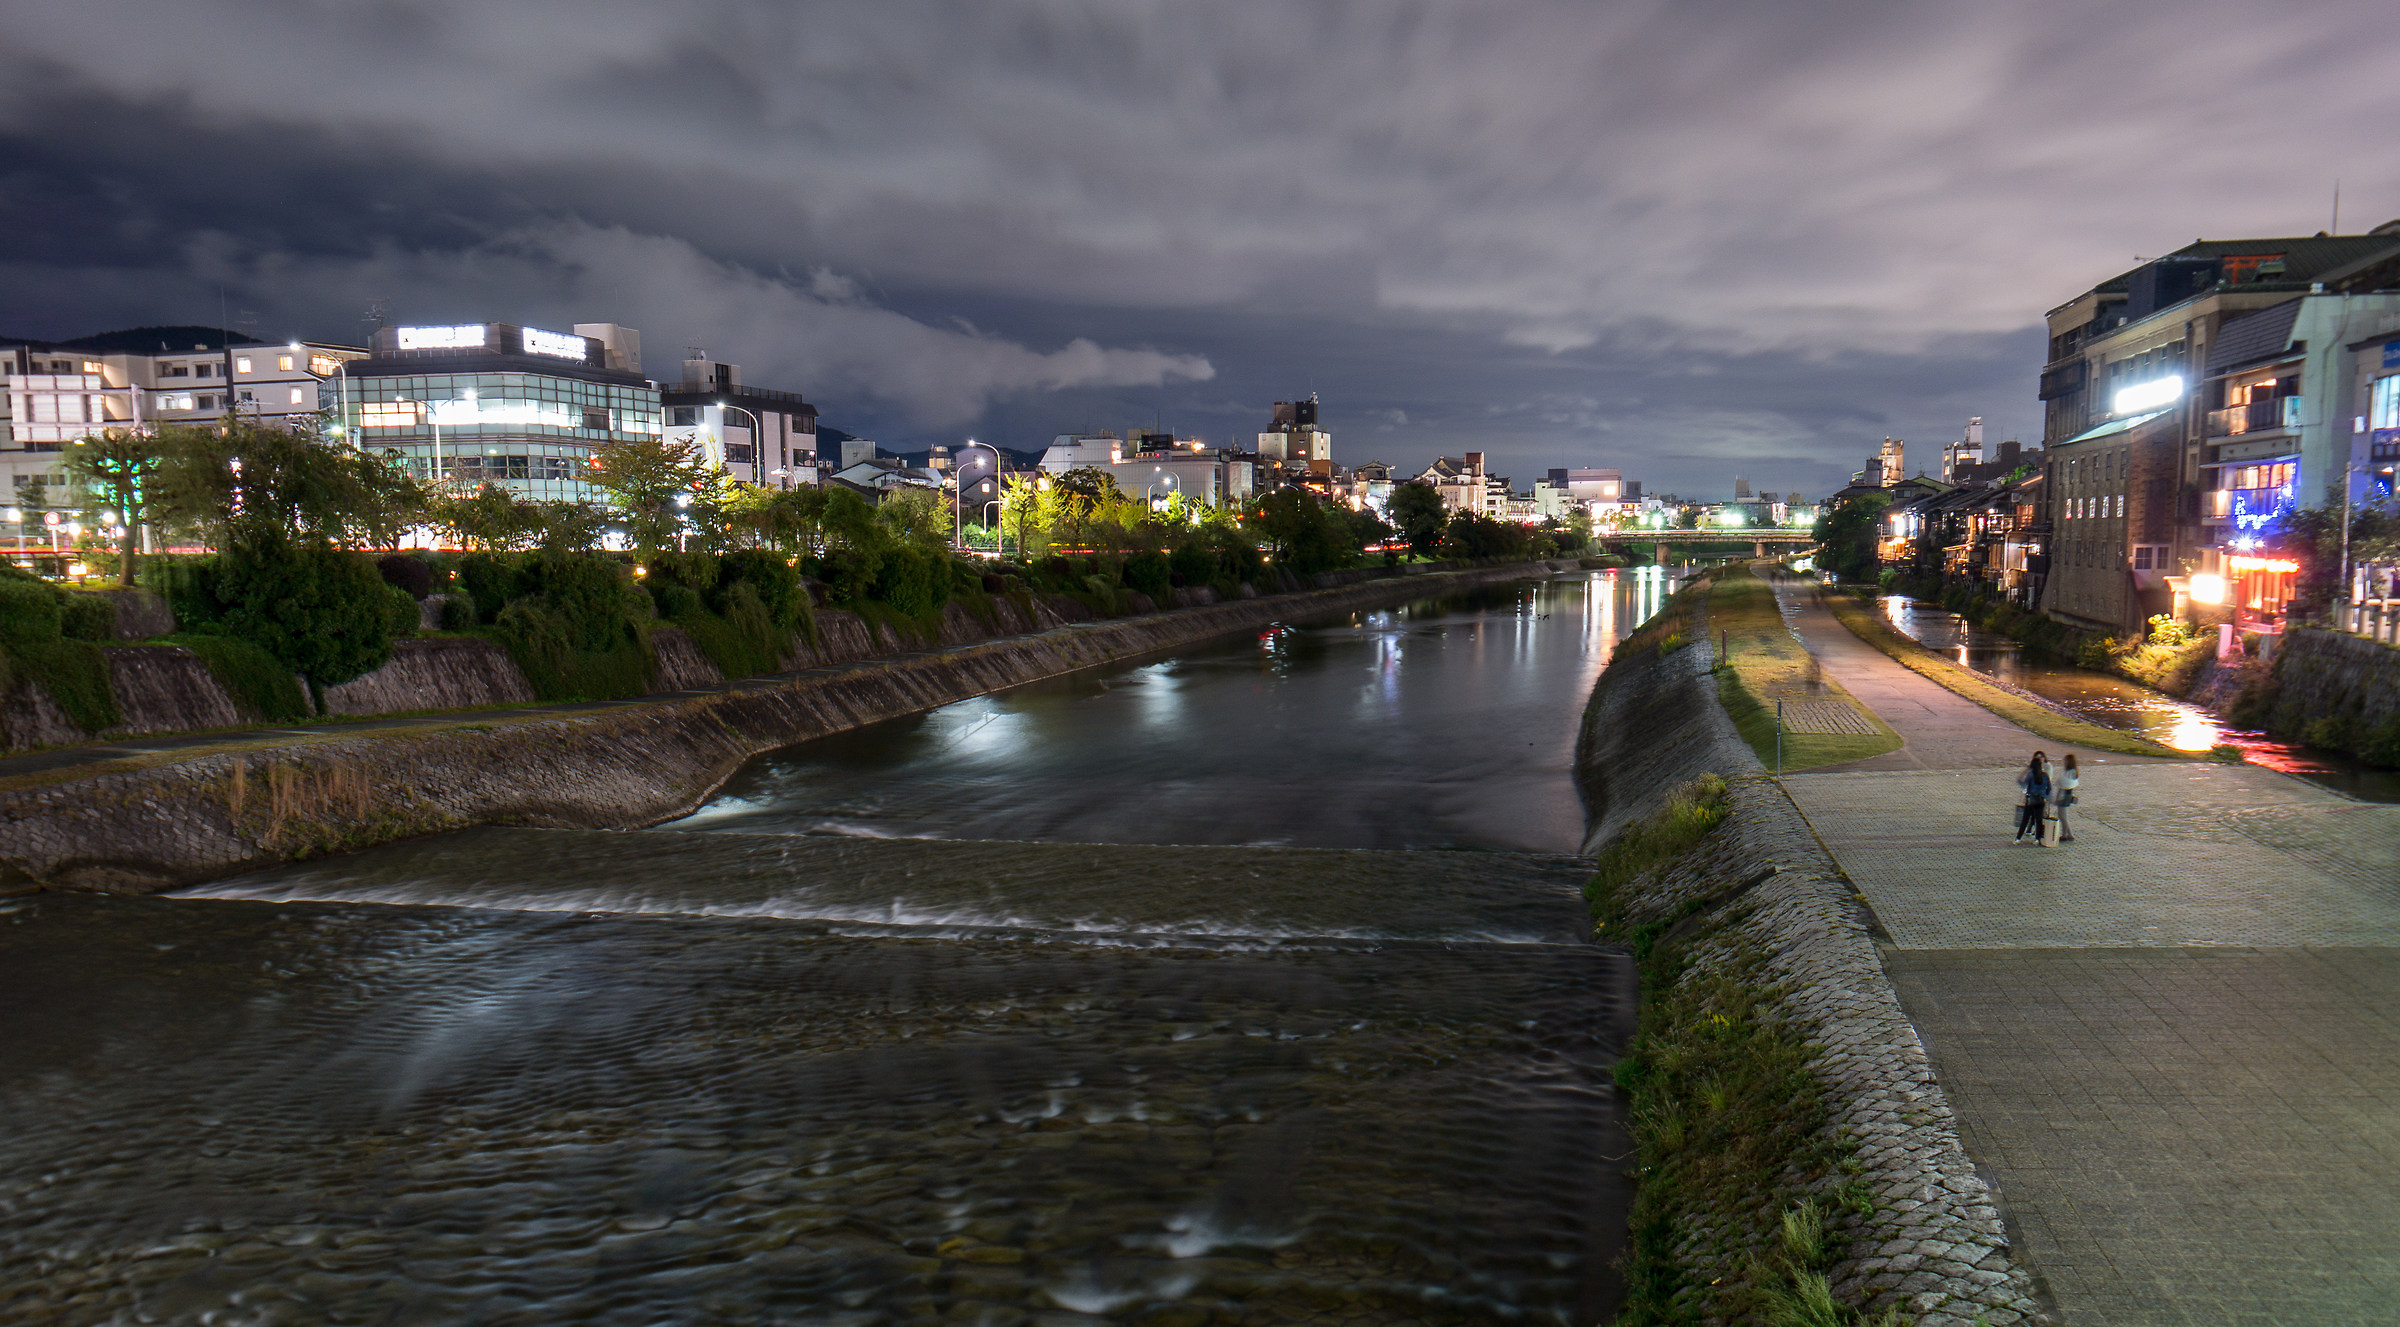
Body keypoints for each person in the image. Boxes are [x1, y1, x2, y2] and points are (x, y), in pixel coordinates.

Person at [2013, 751, 2051, 845]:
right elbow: (2049, 788)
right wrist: (2045, 796)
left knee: (2025, 819)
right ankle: (2037, 839)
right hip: (2041, 800)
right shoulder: (2045, 775)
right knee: (2039, 820)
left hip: (2031, 800)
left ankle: (2018, 838)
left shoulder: (2031, 775)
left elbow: (2023, 783)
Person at [2051, 753, 2079, 842]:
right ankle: (2069, 834)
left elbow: (2062, 783)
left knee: (2063, 816)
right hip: (2067, 795)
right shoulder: (2073, 772)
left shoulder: (2069, 773)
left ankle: (2065, 834)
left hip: (2063, 795)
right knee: (2063, 815)